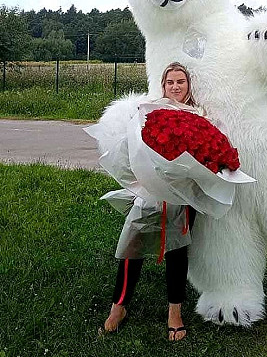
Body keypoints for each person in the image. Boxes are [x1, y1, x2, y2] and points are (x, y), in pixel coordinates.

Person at [104, 62, 199, 341]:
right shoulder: (150, 110)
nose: (175, 86)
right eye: (170, 82)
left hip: (183, 196)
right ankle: (118, 307)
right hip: (150, 192)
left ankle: (174, 312)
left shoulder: (199, 114)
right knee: (132, 245)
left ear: (188, 85)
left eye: (180, 81)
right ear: (163, 85)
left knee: (177, 251)